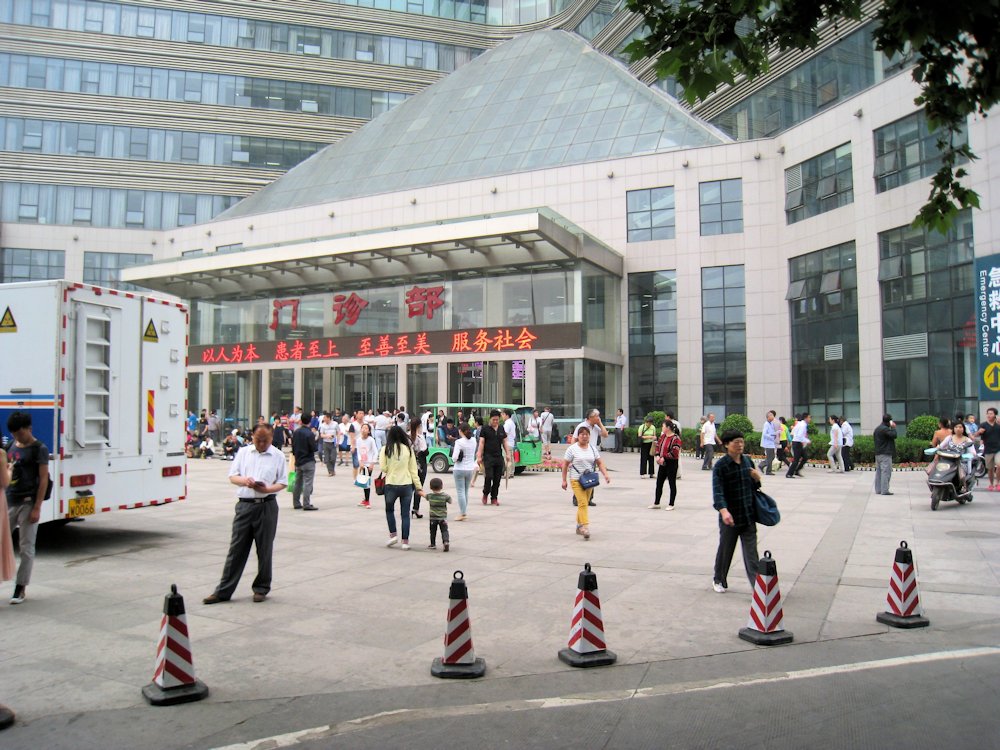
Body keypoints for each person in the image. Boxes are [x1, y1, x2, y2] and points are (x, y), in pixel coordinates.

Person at [203, 424, 287, 604]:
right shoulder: (243, 453)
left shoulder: (278, 456)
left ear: (272, 439)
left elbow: (282, 482)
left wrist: (267, 489)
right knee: (236, 549)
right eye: (258, 440)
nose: (262, 444)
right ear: (252, 437)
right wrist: (245, 481)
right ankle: (223, 591)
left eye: (265, 440)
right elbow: (233, 476)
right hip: (245, 506)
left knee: (264, 549)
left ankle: (261, 588)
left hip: (267, 506)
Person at [5, 412, 49, 605]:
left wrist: (37, 507)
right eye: (14, 434)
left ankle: (20, 587)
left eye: (20, 434)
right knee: (3, 544)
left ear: (29, 429)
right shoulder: (10, 446)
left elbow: (44, 479)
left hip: (28, 501)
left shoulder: (39, 448)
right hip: (9, 501)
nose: (17, 438)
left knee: (26, 547)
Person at [711, 430, 761, 593]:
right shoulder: (721, 466)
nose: (740, 445)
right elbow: (717, 492)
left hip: (747, 515)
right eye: (736, 442)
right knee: (726, 549)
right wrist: (724, 511)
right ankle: (719, 579)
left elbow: (754, 489)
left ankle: (757, 587)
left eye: (741, 441)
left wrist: (756, 479)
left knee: (752, 554)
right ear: (727, 445)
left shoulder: (747, 461)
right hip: (730, 517)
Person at [561, 426, 610, 540]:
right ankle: (585, 527)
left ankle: (579, 526)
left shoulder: (593, 449)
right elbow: (565, 465)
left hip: (589, 481)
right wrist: (564, 480)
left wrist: (606, 475)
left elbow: (600, 463)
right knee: (582, 503)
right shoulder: (572, 449)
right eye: (582, 434)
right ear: (578, 436)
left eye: (586, 434)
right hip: (576, 480)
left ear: (589, 436)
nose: (584, 436)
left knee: (585, 503)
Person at [379, 425, 424, 550]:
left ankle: (393, 535)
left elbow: (383, 468)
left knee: (389, 510)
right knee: (405, 514)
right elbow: (413, 470)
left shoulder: (385, 449)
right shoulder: (408, 450)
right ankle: (405, 541)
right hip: (406, 485)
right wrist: (419, 487)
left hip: (391, 484)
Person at [477, 410, 511, 506]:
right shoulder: (485, 429)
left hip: (498, 457)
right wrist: (479, 455)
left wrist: (508, 454)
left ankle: (494, 498)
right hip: (488, 457)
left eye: (497, 420)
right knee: (489, 477)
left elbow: (504, 442)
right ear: (490, 419)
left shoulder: (501, 428)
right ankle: (485, 493)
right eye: (494, 420)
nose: (495, 421)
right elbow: (481, 443)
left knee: (497, 479)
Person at [651, 420, 681, 510]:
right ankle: (656, 503)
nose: (662, 428)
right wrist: (657, 456)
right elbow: (658, 446)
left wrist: (664, 457)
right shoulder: (663, 436)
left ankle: (671, 504)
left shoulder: (676, 438)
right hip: (662, 463)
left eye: (663, 426)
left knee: (672, 483)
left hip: (671, 463)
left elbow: (675, 451)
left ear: (668, 428)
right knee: (659, 483)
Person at [451, 424, 477, 521]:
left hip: (459, 468)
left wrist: (456, 458)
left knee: (460, 491)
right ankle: (464, 511)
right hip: (470, 469)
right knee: (465, 491)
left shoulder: (459, 442)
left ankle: (463, 513)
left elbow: (454, 458)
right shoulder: (474, 440)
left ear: (460, 431)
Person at [290, 420, 318, 511]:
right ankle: (306, 503)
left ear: (301, 421)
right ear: (309, 422)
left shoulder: (296, 432)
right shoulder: (309, 433)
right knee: (307, 482)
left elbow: (293, 446)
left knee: (298, 482)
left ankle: (296, 502)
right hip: (308, 460)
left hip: (298, 460)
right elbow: (314, 448)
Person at [425, 477, 452, 551]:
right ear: (441, 486)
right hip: (443, 518)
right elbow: (450, 501)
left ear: (430, 487)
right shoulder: (445, 496)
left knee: (433, 531)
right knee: (444, 530)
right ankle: (446, 542)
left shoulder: (430, 496)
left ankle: (433, 544)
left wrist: (419, 490)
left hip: (433, 518)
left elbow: (424, 496)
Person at [874, 413, 898, 495]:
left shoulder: (877, 429)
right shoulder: (885, 429)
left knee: (879, 472)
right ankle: (884, 490)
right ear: (889, 421)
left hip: (878, 453)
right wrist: (893, 428)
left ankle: (878, 489)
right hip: (885, 454)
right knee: (886, 472)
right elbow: (894, 435)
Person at [355, 423, 378, 508]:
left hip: (369, 464)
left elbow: (375, 452)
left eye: (366, 428)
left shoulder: (371, 440)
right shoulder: (358, 440)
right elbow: (358, 452)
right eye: (363, 428)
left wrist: (372, 463)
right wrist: (360, 462)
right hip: (362, 464)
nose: (364, 430)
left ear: (369, 431)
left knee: (366, 482)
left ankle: (367, 501)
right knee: (363, 482)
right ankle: (365, 499)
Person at [409, 417, 428, 519]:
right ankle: (416, 508)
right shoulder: (420, 437)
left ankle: (407, 508)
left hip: (409, 465)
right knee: (418, 488)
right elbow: (425, 451)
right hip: (420, 465)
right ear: (419, 426)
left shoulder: (407, 436)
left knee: (409, 488)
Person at [978, 407, 1000, 490]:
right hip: (988, 449)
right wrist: (979, 433)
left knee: (999, 466)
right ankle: (991, 484)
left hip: (998, 449)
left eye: (991, 413)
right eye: (988, 413)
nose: (989, 415)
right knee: (990, 469)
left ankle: (998, 483)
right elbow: (978, 435)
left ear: (995, 415)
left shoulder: (998, 424)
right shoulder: (983, 425)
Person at [785, 413, 811, 478]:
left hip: (797, 443)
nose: (810, 419)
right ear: (805, 418)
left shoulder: (801, 424)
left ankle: (797, 471)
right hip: (797, 443)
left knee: (805, 457)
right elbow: (800, 436)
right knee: (796, 460)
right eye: (809, 418)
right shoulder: (802, 425)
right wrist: (807, 441)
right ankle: (789, 474)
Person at [759, 411, 779, 475]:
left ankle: (762, 465)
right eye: (772, 415)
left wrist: (775, 434)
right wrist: (771, 437)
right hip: (768, 443)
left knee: (772, 457)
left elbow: (771, 432)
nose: (773, 417)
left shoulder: (771, 423)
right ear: (768, 417)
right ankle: (767, 470)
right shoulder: (766, 424)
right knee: (770, 457)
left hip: (771, 443)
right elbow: (764, 434)